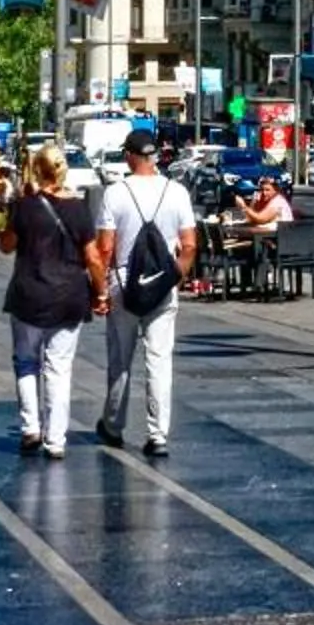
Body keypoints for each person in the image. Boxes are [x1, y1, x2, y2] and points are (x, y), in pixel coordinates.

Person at [92, 130, 198, 458]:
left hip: (123, 285)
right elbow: (190, 245)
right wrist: (173, 279)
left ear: (129, 156)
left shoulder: (115, 193)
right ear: (154, 156)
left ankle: (113, 425)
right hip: (161, 288)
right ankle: (158, 435)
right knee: (159, 361)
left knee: (120, 361)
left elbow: (105, 249)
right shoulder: (177, 192)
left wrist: (100, 292)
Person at [0, 147, 103, 459]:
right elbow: (93, 257)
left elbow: (6, 246)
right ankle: (55, 441)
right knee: (58, 369)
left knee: (26, 362)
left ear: (36, 169)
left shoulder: (24, 206)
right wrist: (101, 293)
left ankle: (30, 428)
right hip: (68, 297)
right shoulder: (79, 209)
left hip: (28, 295)